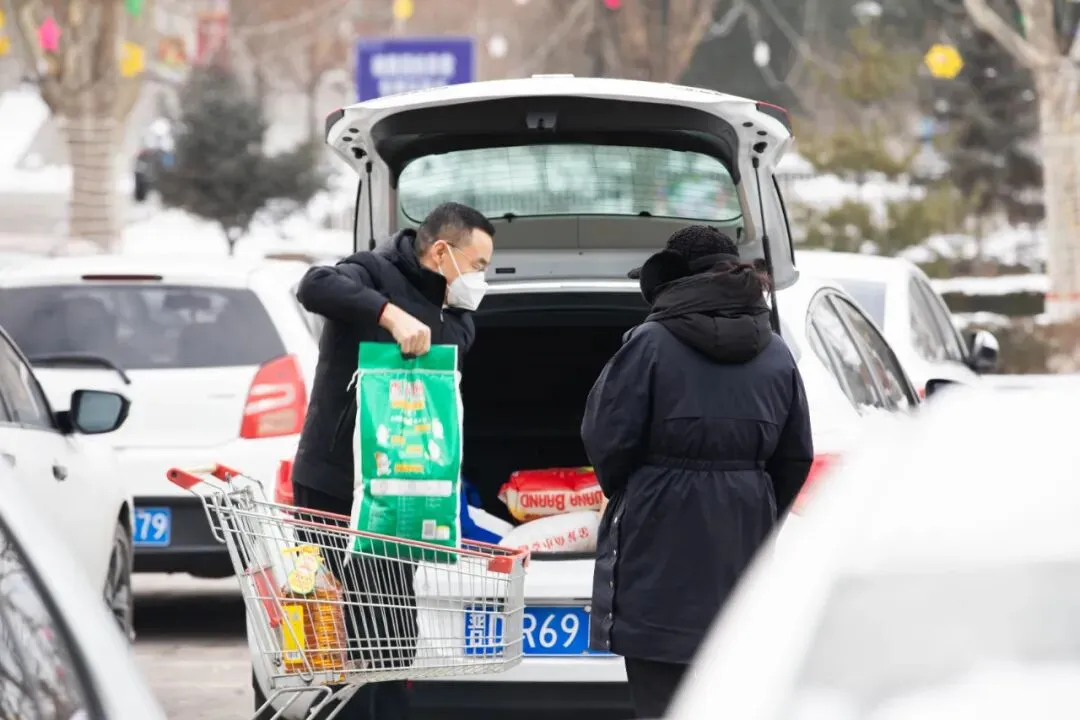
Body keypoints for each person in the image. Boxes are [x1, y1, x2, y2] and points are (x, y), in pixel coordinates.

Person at [581, 225, 814, 718]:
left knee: (661, 703)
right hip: (742, 557)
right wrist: (755, 511)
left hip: (656, 557)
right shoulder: (777, 354)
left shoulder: (648, 344)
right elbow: (795, 458)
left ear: (675, 277)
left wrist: (638, 493)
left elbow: (606, 438)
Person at [291, 201, 495, 719]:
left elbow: (452, 352)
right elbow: (315, 285)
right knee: (342, 632)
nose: (481, 278)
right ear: (442, 250)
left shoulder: (457, 310)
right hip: (335, 481)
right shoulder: (372, 269)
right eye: (477, 265)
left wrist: (447, 307)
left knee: (390, 632)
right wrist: (389, 313)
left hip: (396, 488)